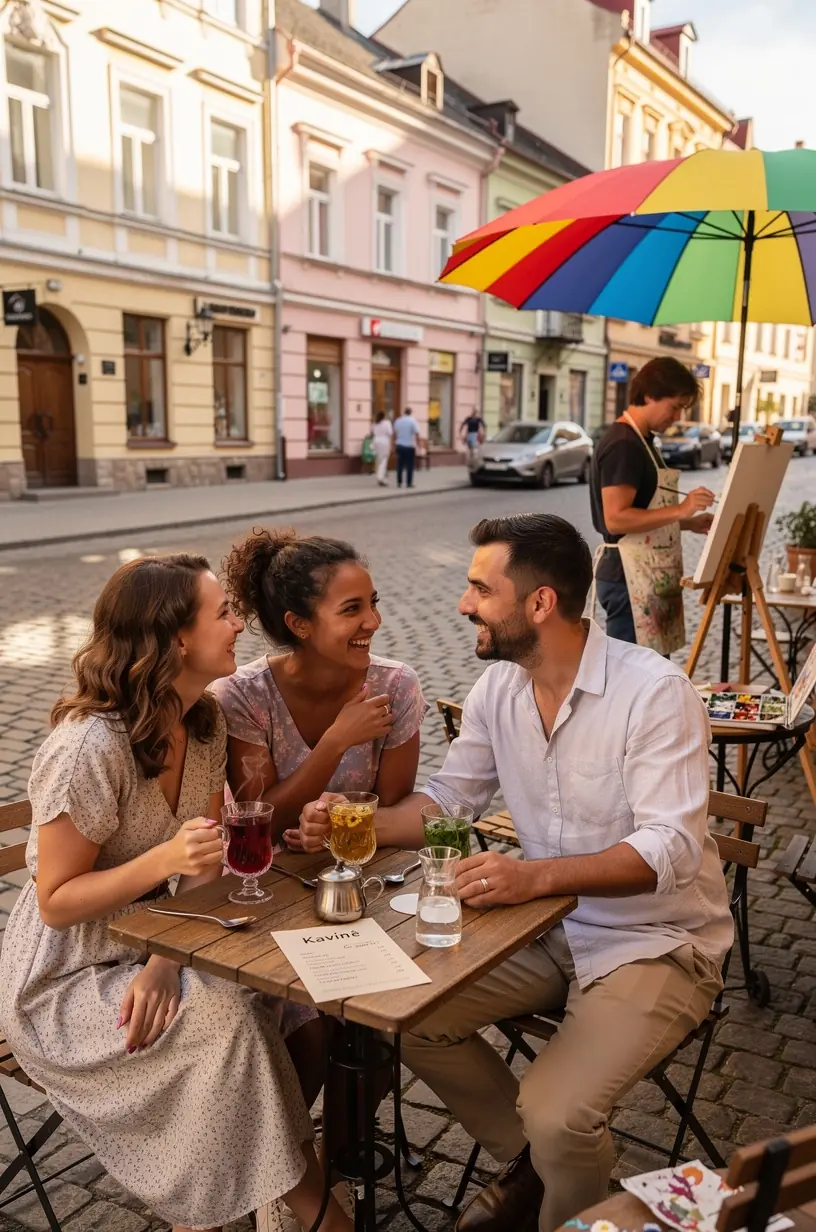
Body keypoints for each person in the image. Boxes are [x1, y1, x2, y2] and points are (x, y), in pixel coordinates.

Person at [298, 513, 733, 1232]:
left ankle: (560, 1173)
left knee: (560, 1112)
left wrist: (535, 878)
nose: (464, 604)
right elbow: (446, 799)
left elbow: (672, 850)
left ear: (540, 604)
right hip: (547, 929)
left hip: (658, 941)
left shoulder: (653, 693)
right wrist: (356, 820)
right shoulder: (500, 691)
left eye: (479, 589)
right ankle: (543, 1169)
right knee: (399, 1013)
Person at [0, 554, 353, 1232]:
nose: (239, 623)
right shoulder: (88, 750)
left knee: (269, 992)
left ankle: (244, 1201)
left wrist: (168, 958)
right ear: (174, 639)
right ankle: (298, 1207)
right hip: (64, 978)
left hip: (155, 947)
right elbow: (55, 900)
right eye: (222, 612)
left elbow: (205, 863)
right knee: (227, 1017)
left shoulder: (205, 722)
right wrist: (162, 860)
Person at [212, 529, 427, 842]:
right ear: (299, 624)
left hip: (359, 864)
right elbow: (259, 827)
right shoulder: (244, 695)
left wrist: (330, 829)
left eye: (372, 603)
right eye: (351, 608)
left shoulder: (395, 687)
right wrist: (336, 741)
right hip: (262, 878)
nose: (373, 621)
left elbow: (388, 813)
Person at [589, 358, 715, 653]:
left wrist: (688, 523)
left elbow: (644, 510)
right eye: (675, 406)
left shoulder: (643, 440)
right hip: (627, 578)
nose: (678, 416)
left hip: (646, 574)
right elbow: (617, 519)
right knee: (632, 681)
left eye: (683, 407)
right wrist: (681, 510)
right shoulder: (624, 444)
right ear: (648, 396)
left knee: (653, 676)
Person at [393, 407, 422, 488]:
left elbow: (395, 433)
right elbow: (417, 434)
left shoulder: (398, 421)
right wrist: (419, 445)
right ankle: (409, 483)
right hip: (409, 445)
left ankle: (399, 482)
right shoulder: (413, 421)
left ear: (404, 412)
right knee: (410, 465)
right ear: (410, 413)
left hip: (400, 445)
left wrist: (394, 443)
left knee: (400, 465)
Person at [371, 411, 394, 486]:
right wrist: (391, 445)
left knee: (378, 460)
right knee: (384, 460)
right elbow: (390, 434)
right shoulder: (387, 423)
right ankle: (380, 478)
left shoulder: (375, 423)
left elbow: (372, 433)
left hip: (376, 441)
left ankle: (381, 476)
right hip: (384, 442)